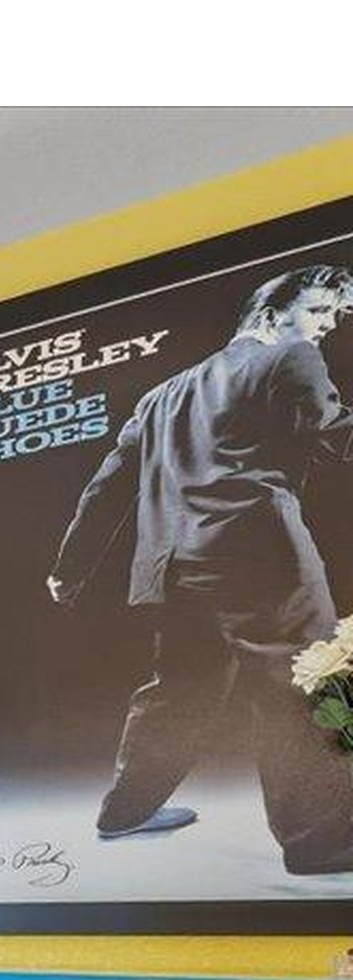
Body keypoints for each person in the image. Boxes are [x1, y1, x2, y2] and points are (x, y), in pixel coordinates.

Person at [49, 262, 353, 875]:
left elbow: (108, 486)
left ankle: (126, 811)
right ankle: (319, 842)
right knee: (301, 686)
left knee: (182, 688)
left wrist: (70, 567)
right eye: (319, 314)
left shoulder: (162, 394)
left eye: (335, 318)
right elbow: (335, 433)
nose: (326, 329)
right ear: (269, 317)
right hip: (261, 558)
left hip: (171, 568)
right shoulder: (289, 360)